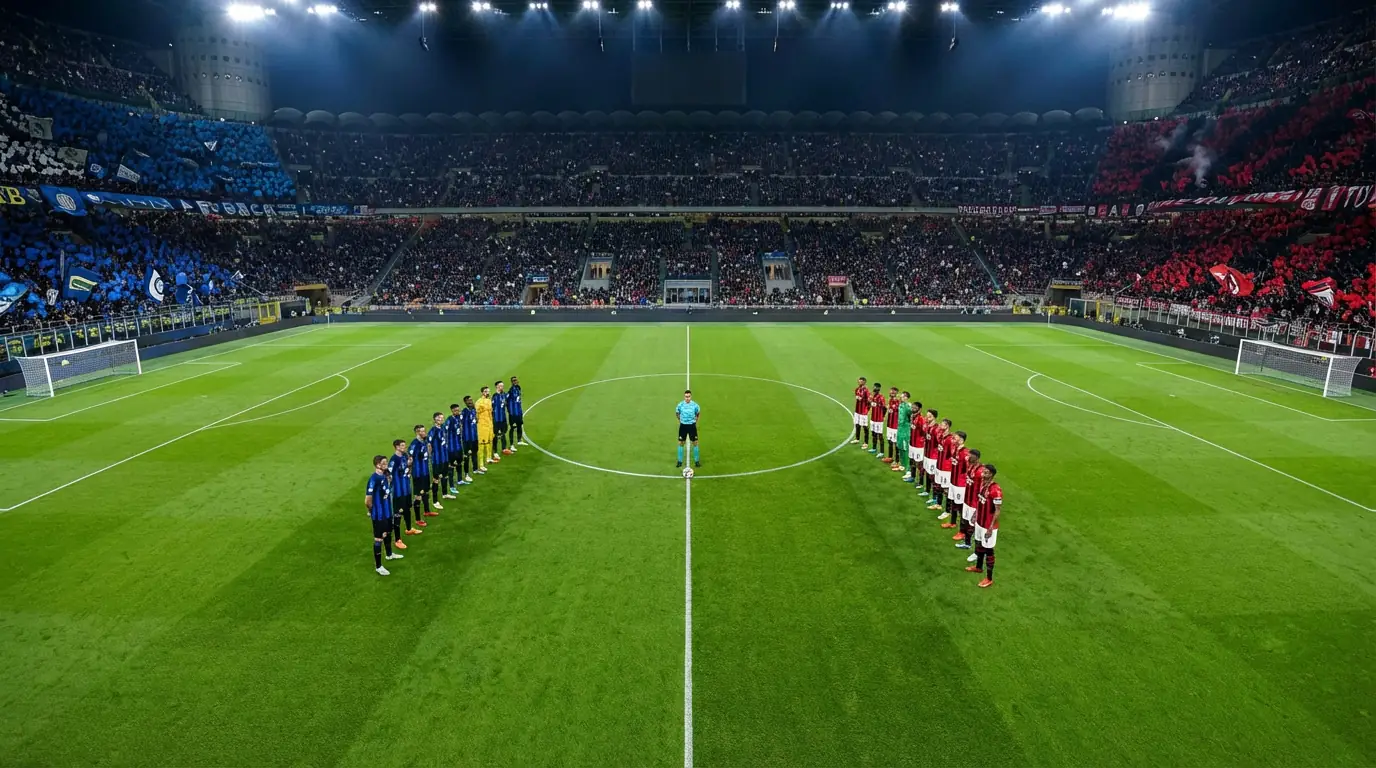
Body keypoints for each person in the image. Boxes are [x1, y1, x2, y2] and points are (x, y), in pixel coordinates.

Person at [365, 455, 403, 576]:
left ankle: (389, 554)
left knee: (388, 532)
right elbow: (368, 500)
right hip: (379, 514)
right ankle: (378, 566)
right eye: (384, 463)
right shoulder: (374, 479)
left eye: (386, 462)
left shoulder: (385, 476)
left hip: (387, 511)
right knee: (378, 539)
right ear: (377, 465)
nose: (386, 464)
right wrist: (371, 510)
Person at [967, 464, 1002, 588]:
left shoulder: (996, 490)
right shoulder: (983, 484)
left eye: (986, 472)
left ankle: (989, 578)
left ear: (991, 474)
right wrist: (975, 514)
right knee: (979, 544)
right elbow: (980, 502)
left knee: (989, 550)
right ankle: (978, 567)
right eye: (983, 472)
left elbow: (997, 510)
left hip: (988, 525)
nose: (983, 474)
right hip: (980, 522)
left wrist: (991, 527)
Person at [388, 439, 417, 545]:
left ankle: (409, 529)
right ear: (397, 447)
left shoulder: (405, 456)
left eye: (404, 445)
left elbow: (408, 469)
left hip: (406, 489)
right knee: (398, 514)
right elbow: (388, 475)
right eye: (402, 445)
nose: (404, 447)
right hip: (398, 492)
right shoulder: (393, 460)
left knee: (407, 510)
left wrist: (410, 465)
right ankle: (397, 540)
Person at [956, 447, 981, 555]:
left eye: (971, 456)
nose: (969, 457)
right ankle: (967, 542)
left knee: (973, 525)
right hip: (967, 500)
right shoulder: (970, 466)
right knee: (965, 520)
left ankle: (975, 549)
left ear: (977, 458)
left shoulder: (980, 472)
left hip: (974, 503)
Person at [408, 424, 433, 525]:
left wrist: (429, 447)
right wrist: (409, 471)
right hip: (418, 473)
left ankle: (427, 511)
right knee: (418, 495)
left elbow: (428, 453)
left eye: (424, 430)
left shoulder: (425, 441)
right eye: (422, 431)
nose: (424, 433)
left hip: (425, 471)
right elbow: (410, 458)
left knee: (426, 492)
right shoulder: (414, 444)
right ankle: (418, 519)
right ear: (417, 432)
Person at [428, 413, 451, 507]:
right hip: (437, 459)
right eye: (439, 418)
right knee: (436, 480)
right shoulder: (433, 431)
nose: (441, 419)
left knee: (445, 476)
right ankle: (435, 501)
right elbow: (428, 444)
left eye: (442, 418)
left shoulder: (443, 428)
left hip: (444, 458)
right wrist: (430, 456)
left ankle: (445, 494)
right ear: (434, 419)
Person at [675, 389, 701, 469]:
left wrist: (695, 421)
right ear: (684, 397)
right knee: (681, 443)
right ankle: (679, 461)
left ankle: (697, 461)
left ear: (691, 396)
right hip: (683, 426)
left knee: (695, 442)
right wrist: (680, 420)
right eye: (686, 397)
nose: (687, 398)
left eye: (689, 396)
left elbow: (698, 413)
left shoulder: (695, 405)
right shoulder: (680, 405)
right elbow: (677, 413)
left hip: (692, 426)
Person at [460, 395, 480, 481]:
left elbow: (476, 420)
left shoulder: (473, 410)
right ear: (465, 402)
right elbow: (460, 423)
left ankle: (475, 469)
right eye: (468, 400)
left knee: (475, 453)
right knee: (467, 456)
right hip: (467, 439)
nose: (471, 402)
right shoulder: (464, 412)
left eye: (471, 400)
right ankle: (466, 474)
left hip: (474, 437)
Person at [446, 403, 465, 493]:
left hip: (458, 446)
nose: (458, 411)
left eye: (458, 410)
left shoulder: (459, 418)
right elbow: (444, 431)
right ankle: (452, 486)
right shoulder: (449, 420)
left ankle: (460, 480)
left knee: (459, 463)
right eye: (456, 410)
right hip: (451, 448)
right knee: (451, 466)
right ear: (452, 411)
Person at [902, 398, 922, 482]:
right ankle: (912, 477)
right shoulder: (912, 416)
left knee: (919, 463)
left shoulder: (921, 419)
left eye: (915, 408)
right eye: (912, 407)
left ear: (919, 409)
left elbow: (923, 432)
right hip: (912, 443)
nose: (913, 409)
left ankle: (920, 481)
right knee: (912, 460)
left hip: (918, 445)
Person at [477, 386, 495, 468]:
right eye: (485, 391)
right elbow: (476, 414)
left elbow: (490, 413)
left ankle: (488, 458)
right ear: (482, 392)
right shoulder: (479, 402)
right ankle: (481, 464)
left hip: (489, 425)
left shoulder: (489, 401)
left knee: (490, 441)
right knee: (482, 444)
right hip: (482, 426)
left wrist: (491, 423)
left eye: (488, 391)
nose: (487, 393)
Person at [894, 391, 912, 475]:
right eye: (902, 396)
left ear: (906, 398)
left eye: (903, 396)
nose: (901, 397)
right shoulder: (900, 405)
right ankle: (902, 464)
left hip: (906, 430)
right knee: (900, 446)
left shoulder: (909, 407)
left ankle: (908, 468)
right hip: (900, 429)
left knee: (906, 449)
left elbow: (912, 417)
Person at [868, 382, 886, 456]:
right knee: (873, 433)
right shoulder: (872, 396)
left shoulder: (881, 397)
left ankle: (882, 452)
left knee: (880, 435)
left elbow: (884, 408)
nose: (874, 388)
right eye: (874, 387)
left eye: (876, 387)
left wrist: (883, 416)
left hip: (879, 420)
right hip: (873, 418)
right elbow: (870, 405)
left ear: (879, 388)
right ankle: (874, 448)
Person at [884, 386, 901, 466]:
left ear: (896, 393)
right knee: (890, 441)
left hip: (895, 426)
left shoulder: (898, 402)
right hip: (889, 425)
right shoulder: (890, 400)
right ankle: (890, 457)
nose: (891, 393)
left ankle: (897, 461)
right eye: (890, 392)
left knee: (896, 443)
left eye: (893, 392)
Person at [507, 376, 526, 447]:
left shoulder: (518, 388)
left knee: (519, 425)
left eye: (516, 380)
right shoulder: (511, 390)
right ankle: (511, 444)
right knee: (512, 428)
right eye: (513, 381)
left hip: (519, 412)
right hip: (513, 413)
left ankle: (519, 440)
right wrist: (510, 411)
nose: (515, 382)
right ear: (511, 382)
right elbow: (506, 401)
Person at [493, 381, 510, 458]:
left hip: (503, 418)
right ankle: (495, 452)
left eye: (502, 386)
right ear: (497, 386)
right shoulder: (494, 396)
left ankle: (504, 448)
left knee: (503, 433)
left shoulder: (504, 395)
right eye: (500, 386)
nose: (502, 387)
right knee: (495, 435)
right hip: (496, 419)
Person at [851, 376, 869, 445]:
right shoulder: (857, 389)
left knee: (865, 427)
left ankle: (866, 442)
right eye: (859, 381)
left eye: (861, 381)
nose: (860, 382)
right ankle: (857, 439)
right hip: (857, 410)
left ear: (864, 382)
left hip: (863, 411)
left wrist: (867, 409)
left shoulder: (866, 390)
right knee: (857, 424)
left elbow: (869, 400)